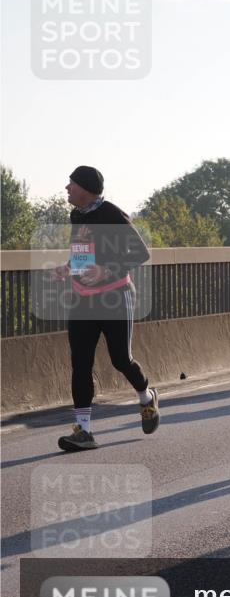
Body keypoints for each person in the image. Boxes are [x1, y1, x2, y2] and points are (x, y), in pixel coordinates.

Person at [53, 166, 160, 452]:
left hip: (115, 296)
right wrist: (69, 268)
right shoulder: (77, 215)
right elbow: (83, 252)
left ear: (86, 189)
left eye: (72, 184)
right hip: (83, 300)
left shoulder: (112, 214)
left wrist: (107, 270)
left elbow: (141, 253)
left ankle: (146, 397)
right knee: (81, 363)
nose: (67, 188)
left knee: (121, 359)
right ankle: (84, 431)